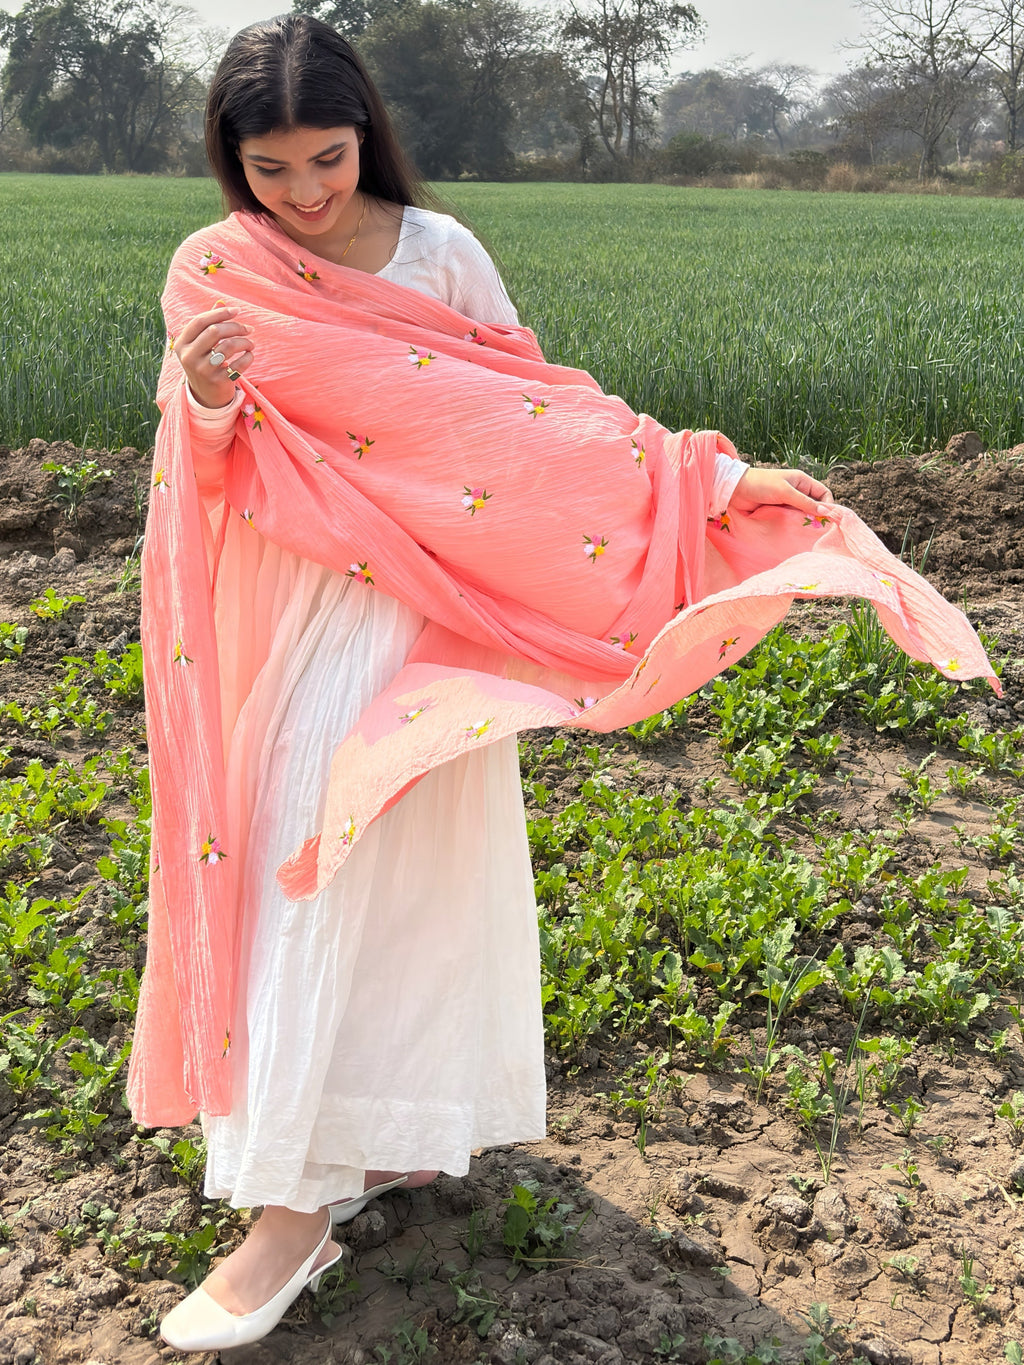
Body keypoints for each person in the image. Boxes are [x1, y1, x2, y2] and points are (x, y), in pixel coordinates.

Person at [148, 13, 840, 1352]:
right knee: (303, 858)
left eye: (330, 159)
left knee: (413, 879)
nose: (304, 195)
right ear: (231, 163)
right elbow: (207, 467)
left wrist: (713, 479)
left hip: (438, 617)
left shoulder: (440, 255)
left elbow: (545, 428)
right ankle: (289, 1207)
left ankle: (382, 1137)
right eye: (272, 169)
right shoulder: (218, 269)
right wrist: (209, 401)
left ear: (371, 137)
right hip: (300, 615)